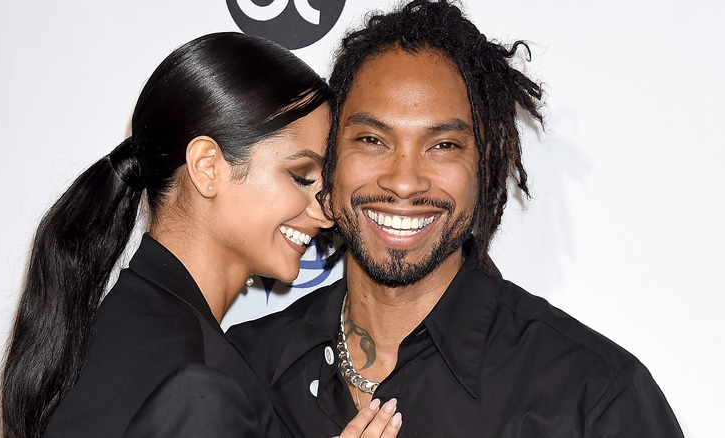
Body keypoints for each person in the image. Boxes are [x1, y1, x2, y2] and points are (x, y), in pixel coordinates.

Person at [227, 1, 685, 437]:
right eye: (372, 140)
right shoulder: (243, 371)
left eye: (443, 145)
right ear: (330, 162)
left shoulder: (593, 398)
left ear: (485, 169)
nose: (404, 183)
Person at [0, 32, 402, 438]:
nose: (326, 210)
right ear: (207, 167)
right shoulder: (199, 385)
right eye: (301, 176)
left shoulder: (113, 329)